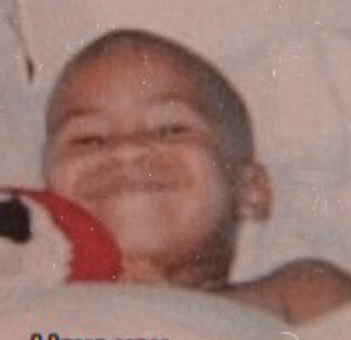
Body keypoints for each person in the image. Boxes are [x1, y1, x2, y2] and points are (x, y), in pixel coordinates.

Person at [42, 28, 351, 324]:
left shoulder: (297, 295)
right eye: (88, 140)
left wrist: (167, 310)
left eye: (170, 130)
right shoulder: (31, 308)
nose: (127, 148)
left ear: (249, 189)